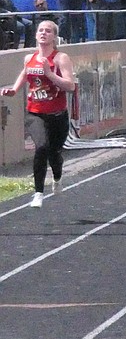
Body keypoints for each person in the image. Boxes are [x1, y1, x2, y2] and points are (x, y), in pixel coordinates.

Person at [1, 21, 77, 208]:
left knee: (54, 155)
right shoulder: (29, 58)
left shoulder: (60, 58)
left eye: (48, 31)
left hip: (57, 115)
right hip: (35, 112)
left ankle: (57, 178)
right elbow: (24, 74)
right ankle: (38, 192)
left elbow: (70, 86)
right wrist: (14, 90)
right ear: (36, 35)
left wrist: (50, 74)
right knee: (41, 147)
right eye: (41, 30)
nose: (44, 33)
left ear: (54, 36)